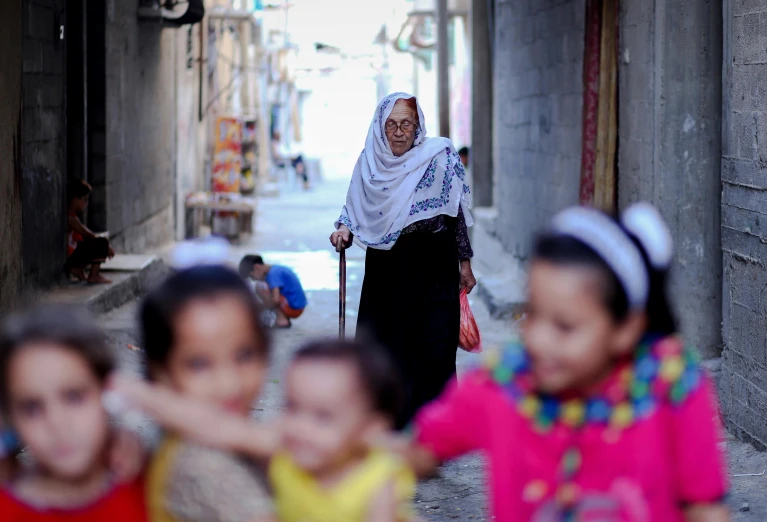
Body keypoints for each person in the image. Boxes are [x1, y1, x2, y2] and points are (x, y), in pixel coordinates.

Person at [389, 202, 730, 521]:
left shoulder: (671, 383)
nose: (538, 339)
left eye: (565, 326)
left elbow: (706, 509)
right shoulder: (505, 380)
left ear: (627, 328)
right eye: (533, 314)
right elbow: (417, 449)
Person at [111, 338, 418, 522]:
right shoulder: (288, 446)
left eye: (323, 416)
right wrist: (142, 396)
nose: (300, 426)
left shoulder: (378, 481)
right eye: (293, 407)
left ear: (369, 430)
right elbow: (216, 427)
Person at [329, 92, 476, 429]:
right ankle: (386, 423)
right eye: (391, 124)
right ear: (381, 128)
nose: (398, 132)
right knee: (384, 344)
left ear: (417, 126)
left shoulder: (440, 156)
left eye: (406, 123)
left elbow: (456, 214)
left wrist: (464, 263)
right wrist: (343, 230)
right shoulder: (369, 161)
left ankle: (434, 428)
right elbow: (353, 209)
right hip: (388, 266)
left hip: (435, 264)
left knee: (435, 346)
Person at [138, 264, 275, 522]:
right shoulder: (207, 467)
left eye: (244, 355)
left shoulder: (222, 441)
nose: (229, 384)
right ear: (160, 373)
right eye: (199, 363)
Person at [0, 304, 148, 521]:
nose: (57, 423)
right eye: (32, 408)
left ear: (107, 392)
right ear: (12, 418)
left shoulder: (150, 487)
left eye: (74, 397)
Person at [66, 178, 115, 284]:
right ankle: (94, 275)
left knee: (99, 240)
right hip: (71, 257)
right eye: (84, 199)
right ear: (75, 199)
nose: (86, 203)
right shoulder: (71, 218)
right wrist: (107, 246)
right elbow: (89, 234)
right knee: (102, 242)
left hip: (73, 254)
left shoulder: (73, 215)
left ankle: (78, 268)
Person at [239, 254, 307, 329]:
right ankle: (283, 317)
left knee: (261, 288)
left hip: (294, 308)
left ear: (256, 267)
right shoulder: (275, 270)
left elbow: (276, 300)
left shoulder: (272, 274)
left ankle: (282, 320)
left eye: (251, 276)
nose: (253, 280)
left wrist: (261, 307)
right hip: (298, 305)